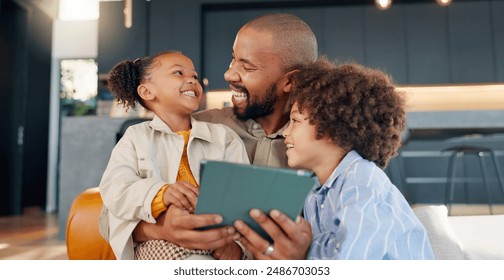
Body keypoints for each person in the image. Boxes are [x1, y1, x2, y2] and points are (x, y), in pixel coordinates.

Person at [129, 13, 318, 259]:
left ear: (291, 81)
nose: (229, 75)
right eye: (233, 60)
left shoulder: (321, 145)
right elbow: (108, 214)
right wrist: (162, 229)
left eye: (247, 67)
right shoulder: (199, 126)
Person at [235, 59, 434, 259]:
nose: (285, 132)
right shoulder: (314, 192)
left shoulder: (361, 181)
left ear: (330, 128)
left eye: (295, 121)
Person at [99, 51, 249, 260]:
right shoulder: (135, 137)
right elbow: (116, 188)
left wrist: (236, 245)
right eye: (178, 73)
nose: (191, 80)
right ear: (147, 91)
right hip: (158, 243)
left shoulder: (224, 137)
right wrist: (160, 193)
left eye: (195, 76)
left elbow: (243, 196)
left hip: (215, 240)